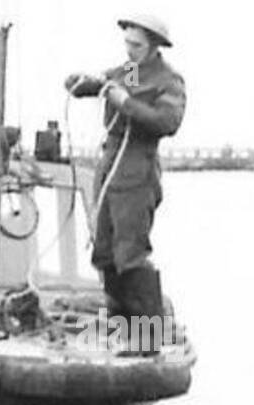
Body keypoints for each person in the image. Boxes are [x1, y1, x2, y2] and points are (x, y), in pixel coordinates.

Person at [65, 13, 186, 342]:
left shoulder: (168, 80)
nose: (129, 50)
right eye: (127, 43)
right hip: (110, 166)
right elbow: (103, 82)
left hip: (137, 169)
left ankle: (148, 339)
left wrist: (126, 103)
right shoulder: (130, 72)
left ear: (153, 46)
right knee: (104, 251)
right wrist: (83, 83)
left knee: (130, 253)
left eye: (136, 45)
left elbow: (167, 121)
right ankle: (121, 328)